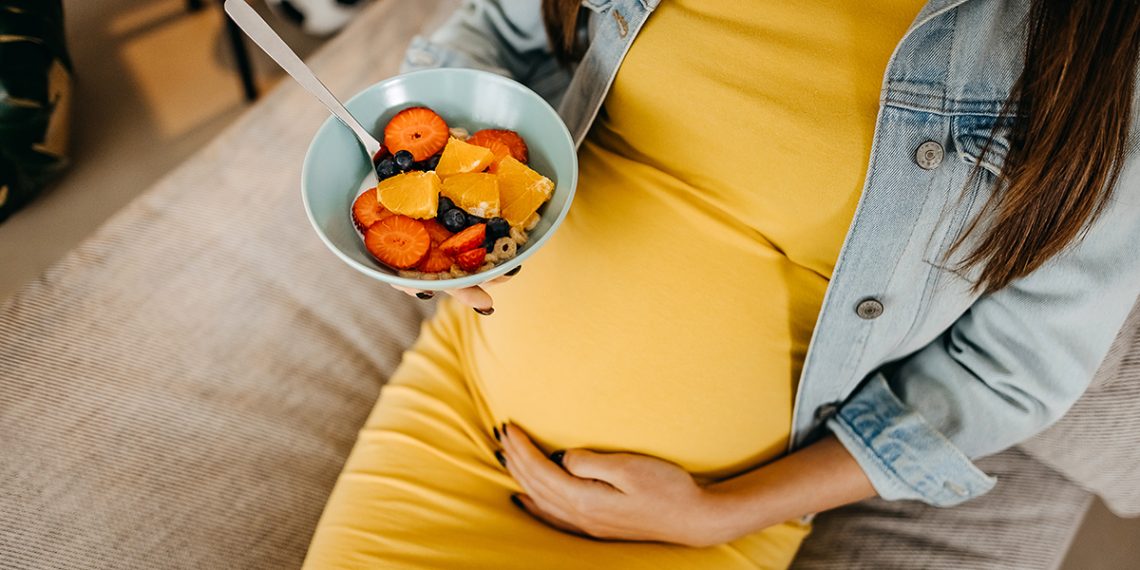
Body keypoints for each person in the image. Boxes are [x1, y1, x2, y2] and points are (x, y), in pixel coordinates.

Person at [303, 1, 1140, 568]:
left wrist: (722, 514)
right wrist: (437, 208)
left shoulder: (1098, 53)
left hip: (702, 522)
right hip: (459, 408)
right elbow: (495, 32)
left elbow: (1016, 367)